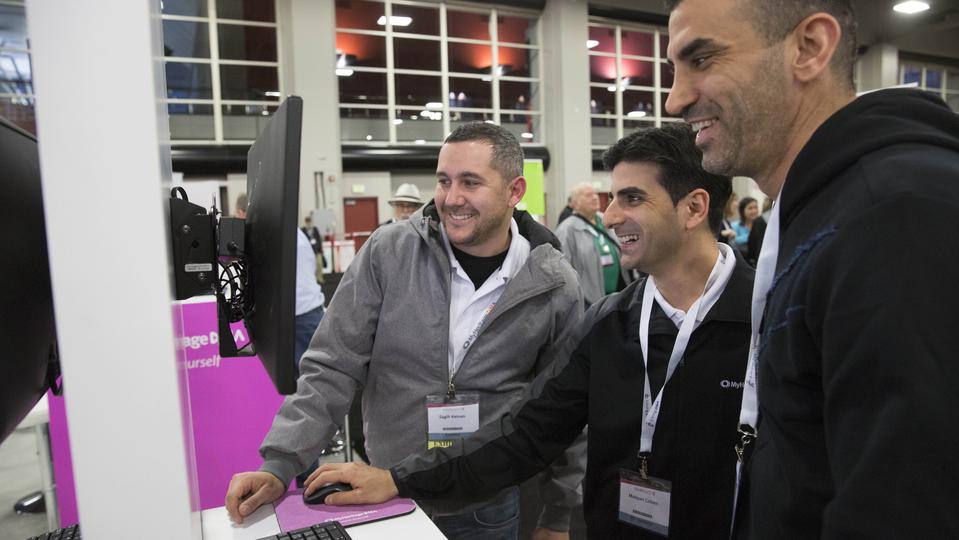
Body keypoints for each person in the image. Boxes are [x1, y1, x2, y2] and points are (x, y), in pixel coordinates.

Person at [308, 124, 754, 540]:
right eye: (612, 197)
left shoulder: (766, 322)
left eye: (632, 198)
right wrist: (398, 478)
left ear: (694, 208)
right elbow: (524, 434)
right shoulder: (609, 324)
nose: (611, 215)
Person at [664, 0, 959, 538]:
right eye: (673, 69)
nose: (675, 98)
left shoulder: (895, 213)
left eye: (701, 59)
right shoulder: (824, 205)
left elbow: (909, 507)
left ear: (809, 48)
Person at [224, 122, 587, 540]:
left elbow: (565, 413)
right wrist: (280, 463)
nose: (452, 198)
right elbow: (332, 365)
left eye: (470, 183)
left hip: (485, 503)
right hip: (387, 492)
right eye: (444, 181)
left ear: (514, 191)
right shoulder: (389, 253)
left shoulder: (552, 283)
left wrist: (558, 515)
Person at [554, 183, 633, 306]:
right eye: (588, 195)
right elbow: (562, 269)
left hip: (619, 295)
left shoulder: (606, 219)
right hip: (588, 302)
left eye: (595, 194)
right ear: (575, 203)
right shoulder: (567, 230)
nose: (595, 197)